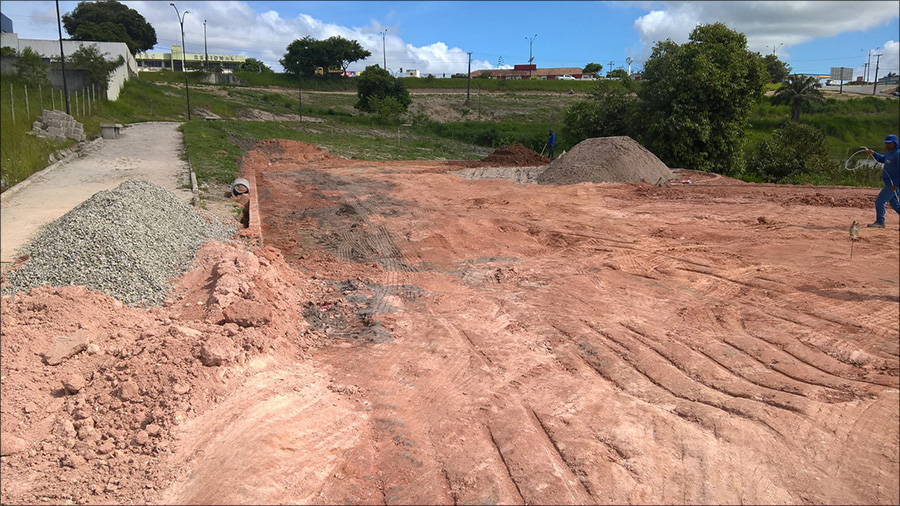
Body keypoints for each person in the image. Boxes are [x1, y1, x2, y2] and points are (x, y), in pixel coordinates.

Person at [864, 134, 900, 228]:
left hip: (892, 184)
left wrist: (896, 184)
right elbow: (882, 159)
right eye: (886, 143)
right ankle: (880, 221)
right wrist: (873, 153)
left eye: (890, 143)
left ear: (895, 143)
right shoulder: (889, 153)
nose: (887, 145)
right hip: (889, 183)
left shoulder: (897, 154)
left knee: (880, 201)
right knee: (894, 204)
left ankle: (880, 222)